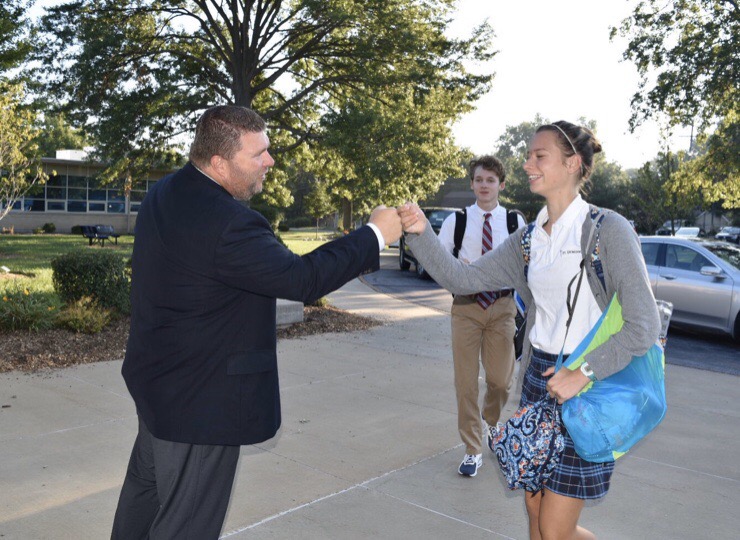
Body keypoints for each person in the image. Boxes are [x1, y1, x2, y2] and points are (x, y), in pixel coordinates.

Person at [111, 105, 402, 539]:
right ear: (218, 162)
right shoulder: (229, 222)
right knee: (185, 526)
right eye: (259, 154)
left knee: (143, 503)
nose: (270, 161)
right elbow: (302, 279)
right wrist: (376, 233)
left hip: (159, 390)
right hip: (201, 408)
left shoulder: (167, 191)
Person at [399, 120, 660, 539]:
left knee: (556, 531)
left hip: (589, 388)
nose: (526, 164)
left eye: (539, 156)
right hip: (539, 383)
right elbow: (462, 280)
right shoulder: (528, 240)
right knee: (537, 520)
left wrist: (583, 372)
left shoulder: (608, 230)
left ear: (572, 163)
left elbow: (643, 325)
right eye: (528, 156)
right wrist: (420, 232)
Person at [436, 155, 524, 477]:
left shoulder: (515, 222)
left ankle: (490, 421)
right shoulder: (455, 221)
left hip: (502, 307)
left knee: (501, 381)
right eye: (478, 179)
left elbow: (526, 265)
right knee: (465, 382)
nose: (484, 185)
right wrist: (458, 278)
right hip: (466, 308)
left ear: (501, 185)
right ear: (471, 184)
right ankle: (473, 448)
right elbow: (441, 262)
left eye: (490, 180)